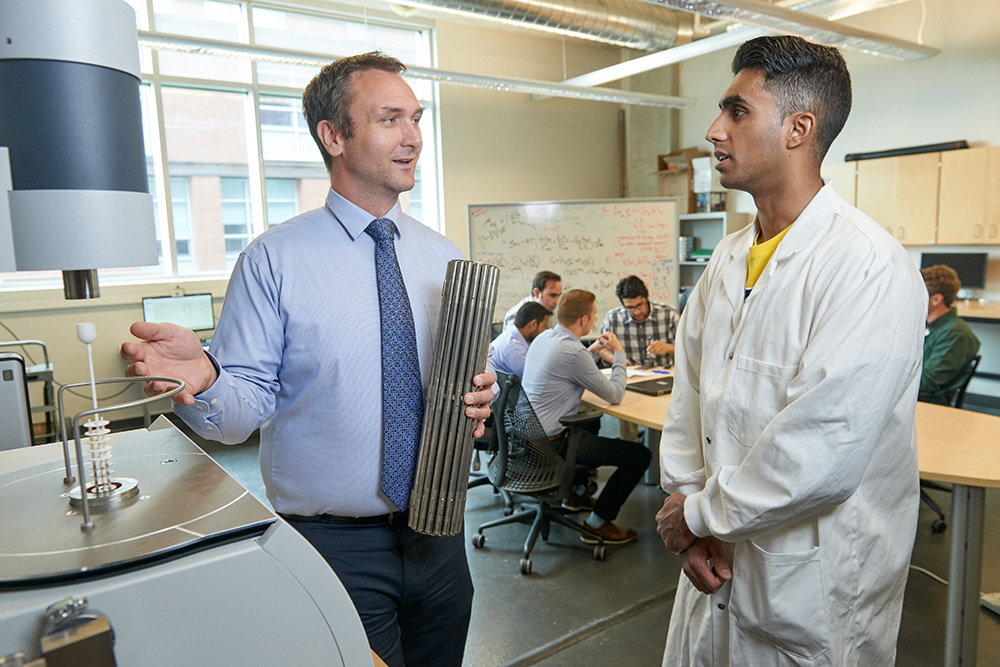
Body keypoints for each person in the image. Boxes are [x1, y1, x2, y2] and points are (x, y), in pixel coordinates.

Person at [120, 52, 495, 667]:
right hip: (332, 546)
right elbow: (239, 417)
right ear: (334, 135)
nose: (413, 137)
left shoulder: (445, 257)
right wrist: (208, 378)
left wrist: (478, 403)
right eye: (390, 119)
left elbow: (460, 386)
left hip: (441, 534)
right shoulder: (275, 260)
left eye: (416, 118)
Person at [654, 36, 926, 666]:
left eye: (737, 111)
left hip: (812, 592)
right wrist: (688, 510)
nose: (713, 130)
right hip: (712, 566)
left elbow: (822, 449)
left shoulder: (866, 265)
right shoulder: (725, 258)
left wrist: (697, 515)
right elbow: (688, 403)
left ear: (798, 128)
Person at [522, 289, 651, 544]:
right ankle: (598, 523)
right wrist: (620, 355)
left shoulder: (545, 337)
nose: (593, 319)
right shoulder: (573, 353)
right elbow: (615, 394)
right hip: (552, 444)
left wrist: (592, 349)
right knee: (639, 455)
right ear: (583, 320)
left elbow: (571, 365)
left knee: (591, 421)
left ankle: (574, 495)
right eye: (593, 316)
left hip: (527, 437)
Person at [919, 264, 981, 405]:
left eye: (919, 294)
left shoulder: (956, 334)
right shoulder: (931, 326)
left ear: (936, 300)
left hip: (929, 405)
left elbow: (926, 383)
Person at [601, 275, 680, 368]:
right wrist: (618, 361)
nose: (636, 311)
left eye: (640, 305)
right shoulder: (612, 318)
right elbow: (602, 350)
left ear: (646, 298)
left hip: (663, 373)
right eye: (630, 307)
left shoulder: (669, 314)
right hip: (629, 374)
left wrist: (669, 348)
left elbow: (689, 352)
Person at [487, 300, 550, 378]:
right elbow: (534, 377)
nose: (544, 331)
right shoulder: (514, 348)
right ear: (533, 324)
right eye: (544, 327)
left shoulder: (518, 337)